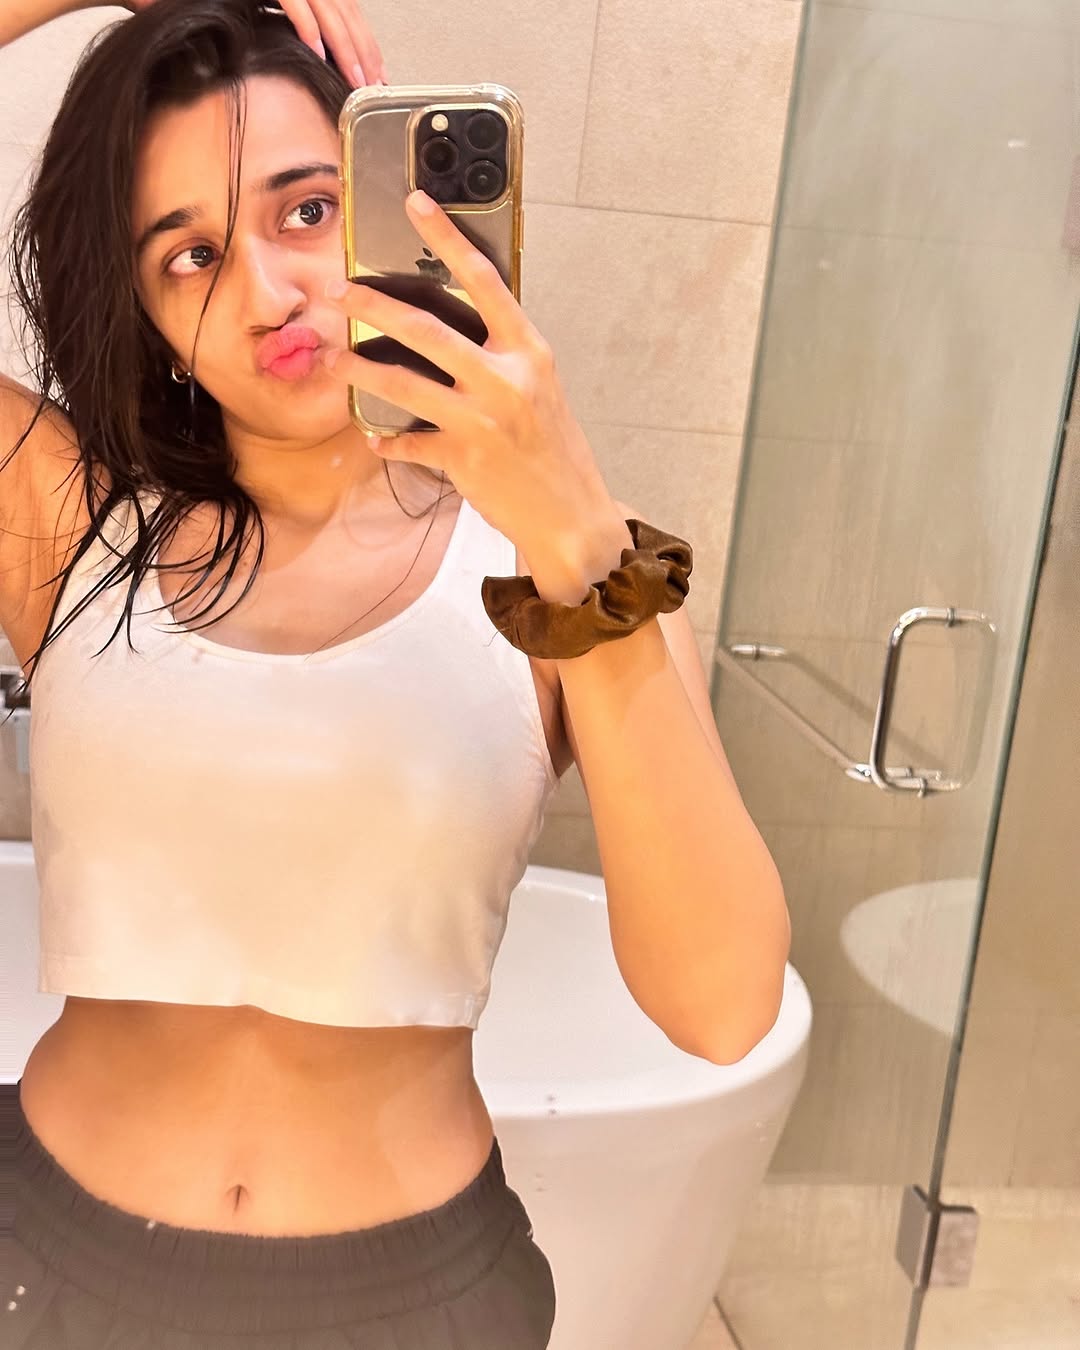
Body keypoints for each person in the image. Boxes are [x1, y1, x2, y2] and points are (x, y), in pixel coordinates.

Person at [0, 1, 575, 1344]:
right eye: (191, 254)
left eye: (308, 210)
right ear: (148, 314)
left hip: (415, 1304)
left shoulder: (564, 565)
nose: (265, 292)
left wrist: (587, 527)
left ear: (387, 211)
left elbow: (724, 1002)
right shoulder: (70, 520)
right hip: (40, 1263)